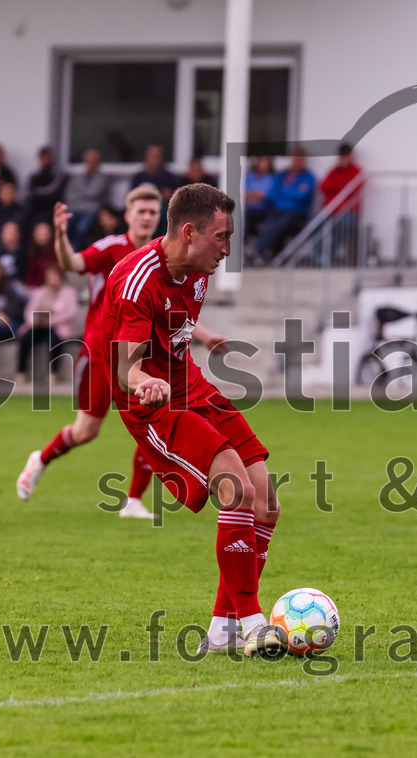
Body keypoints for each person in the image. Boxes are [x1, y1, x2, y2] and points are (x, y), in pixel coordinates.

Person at [100, 182, 282, 657]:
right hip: (151, 404)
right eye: (221, 237)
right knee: (235, 487)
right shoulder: (137, 278)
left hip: (191, 384)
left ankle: (222, 632)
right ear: (188, 232)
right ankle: (254, 624)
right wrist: (146, 383)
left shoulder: (197, 270)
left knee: (266, 499)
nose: (228, 248)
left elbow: (174, 315)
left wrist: (201, 336)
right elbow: (124, 368)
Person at [15, 185, 167, 519]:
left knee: (152, 421)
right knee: (86, 431)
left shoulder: (163, 256)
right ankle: (40, 459)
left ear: (160, 217)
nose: (146, 217)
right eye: (140, 211)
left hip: (137, 355)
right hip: (99, 354)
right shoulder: (112, 247)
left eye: (152, 212)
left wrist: (204, 333)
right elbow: (72, 262)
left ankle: (134, 501)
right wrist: (60, 235)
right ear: (128, 216)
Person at [16, 264, 78, 383]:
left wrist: (50, 321)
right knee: (25, 338)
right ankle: (21, 371)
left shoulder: (69, 292)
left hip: (58, 327)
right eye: (50, 276)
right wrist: (35, 321)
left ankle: (53, 373)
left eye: (55, 276)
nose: (52, 279)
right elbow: (29, 310)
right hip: (38, 326)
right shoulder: (40, 292)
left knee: (55, 341)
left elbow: (69, 312)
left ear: (61, 277)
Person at [255, 147, 315, 262]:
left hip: (297, 212)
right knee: (267, 221)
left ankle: (259, 251)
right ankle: (264, 253)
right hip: (277, 209)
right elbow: (272, 194)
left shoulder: (308, 177)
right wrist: (291, 190)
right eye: (295, 159)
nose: (297, 162)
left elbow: (301, 196)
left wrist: (283, 191)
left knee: (278, 224)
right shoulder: (282, 175)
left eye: (300, 160)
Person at [318, 143, 363, 266]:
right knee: (316, 227)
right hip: (330, 210)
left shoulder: (356, 171)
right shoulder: (333, 171)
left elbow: (354, 189)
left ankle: (327, 256)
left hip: (349, 212)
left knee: (341, 226)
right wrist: (341, 184)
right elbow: (323, 187)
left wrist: (336, 186)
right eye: (342, 155)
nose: (344, 158)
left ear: (351, 156)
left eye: (346, 155)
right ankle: (320, 256)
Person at [63, 148, 112, 250]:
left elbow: (94, 192)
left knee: (81, 228)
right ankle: (69, 251)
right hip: (74, 208)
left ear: (98, 162)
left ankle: (78, 253)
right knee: (64, 228)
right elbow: (69, 194)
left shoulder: (103, 178)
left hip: (91, 210)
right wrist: (83, 196)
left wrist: (80, 194)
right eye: (88, 160)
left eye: (94, 160)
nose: (91, 163)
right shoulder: (77, 177)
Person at [27, 146, 68, 226]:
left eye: (46, 157)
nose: (44, 160)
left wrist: (39, 191)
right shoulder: (35, 175)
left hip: (52, 207)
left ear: (51, 158)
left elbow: (54, 192)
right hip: (36, 208)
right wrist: (45, 190)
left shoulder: (57, 174)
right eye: (42, 158)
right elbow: (30, 192)